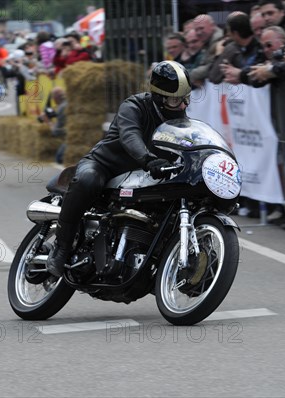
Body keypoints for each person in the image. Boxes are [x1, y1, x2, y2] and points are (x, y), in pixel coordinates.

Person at [46, 60, 192, 277]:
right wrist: (148, 159)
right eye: (174, 100)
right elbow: (129, 135)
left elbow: (189, 144)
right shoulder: (133, 106)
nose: (182, 106)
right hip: (106, 167)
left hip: (142, 178)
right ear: (159, 97)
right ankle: (61, 248)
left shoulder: (180, 121)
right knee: (88, 181)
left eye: (185, 98)